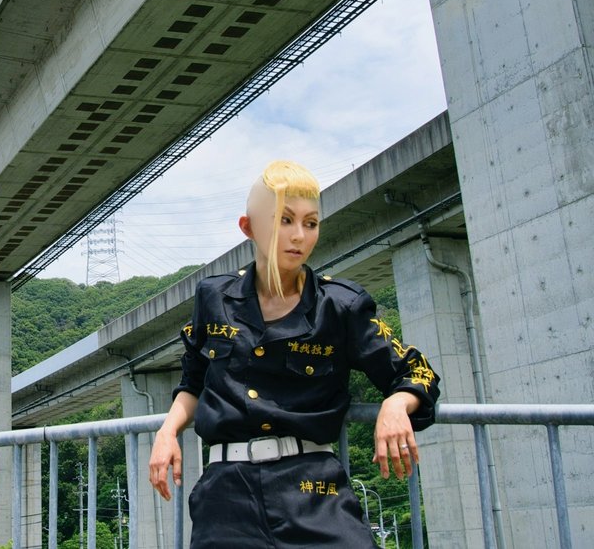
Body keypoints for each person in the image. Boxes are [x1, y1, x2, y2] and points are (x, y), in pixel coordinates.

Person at [148, 159, 440, 547]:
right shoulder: (213, 297)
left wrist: (397, 404)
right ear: (249, 227)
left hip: (312, 489)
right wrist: (167, 431)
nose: (299, 235)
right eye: (285, 220)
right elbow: (194, 381)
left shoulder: (340, 306)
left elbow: (416, 371)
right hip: (226, 495)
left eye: (311, 222)